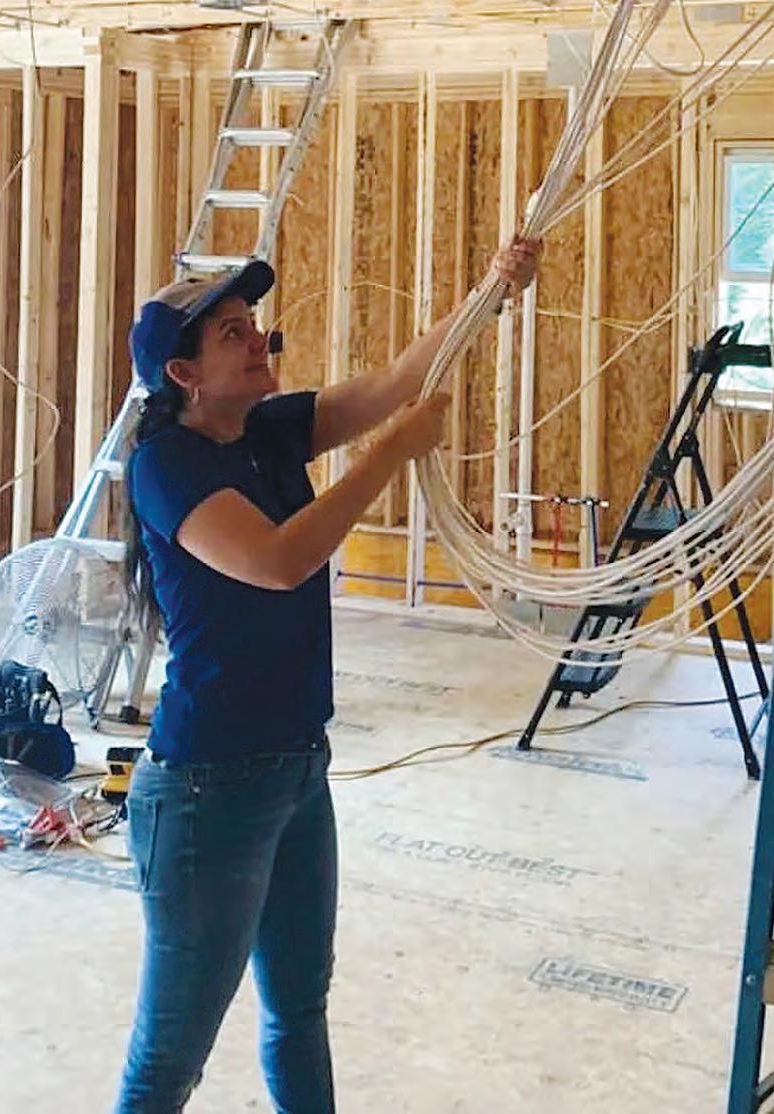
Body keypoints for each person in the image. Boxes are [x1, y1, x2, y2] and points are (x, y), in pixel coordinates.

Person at [113, 236, 541, 1113]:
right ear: (185, 375)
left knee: (299, 1012)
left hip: (299, 770)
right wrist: (389, 455)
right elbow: (278, 561)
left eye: (253, 324)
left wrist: (493, 289)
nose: (258, 340)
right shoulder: (166, 465)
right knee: (170, 1060)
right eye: (232, 333)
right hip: (206, 790)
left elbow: (397, 381)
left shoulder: (267, 430)